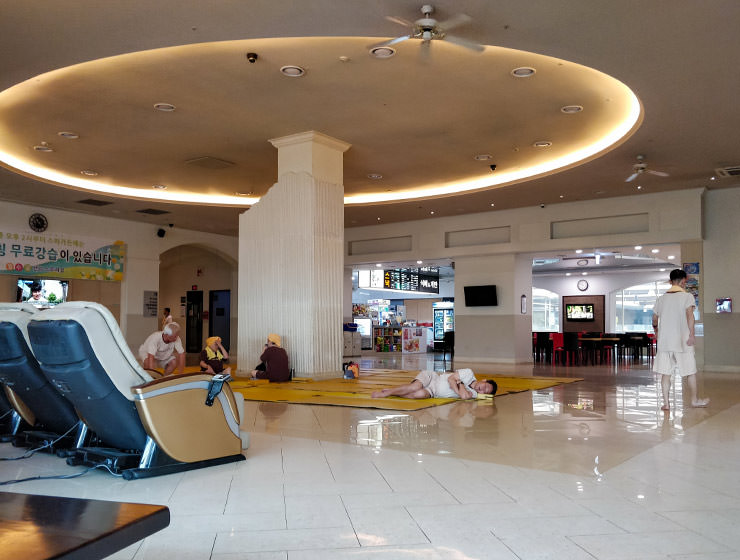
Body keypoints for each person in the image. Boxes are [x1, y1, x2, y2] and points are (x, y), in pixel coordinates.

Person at [652, 268, 709, 411]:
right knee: (690, 371)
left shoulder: (661, 299)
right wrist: (692, 334)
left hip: (665, 342)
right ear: (683, 281)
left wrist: (656, 331)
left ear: (671, 281)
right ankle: (694, 400)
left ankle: (666, 403)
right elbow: (690, 316)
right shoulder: (687, 296)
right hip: (683, 340)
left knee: (665, 373)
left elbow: (654, 318)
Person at [371, 368, 497, 400]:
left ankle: (395, 393)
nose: (483, 389)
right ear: (484, 380)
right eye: (485, 386)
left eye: (485, 391)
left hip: (433, 392)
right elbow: (451, 379)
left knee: (419, 394)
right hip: (432, 377)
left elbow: (464, 396)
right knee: (415, 387)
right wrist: (460, 388)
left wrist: (461, 383)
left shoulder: (475, 393)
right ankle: (387, 393)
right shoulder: (469, 373)